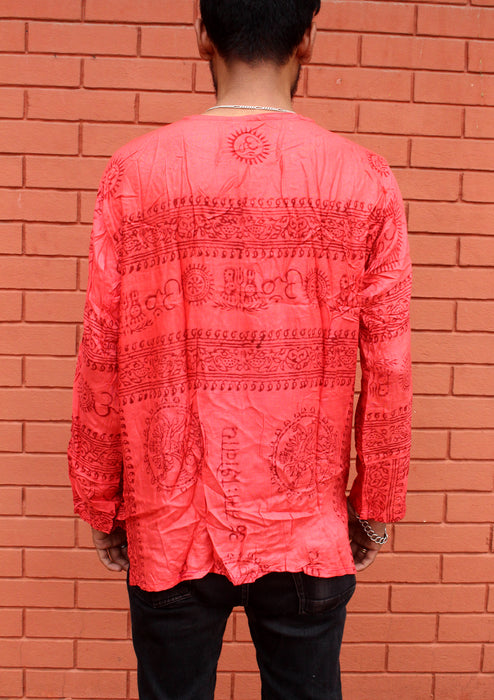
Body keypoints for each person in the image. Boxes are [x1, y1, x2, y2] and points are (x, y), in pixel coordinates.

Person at [68, 1, 412, 698]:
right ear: (306, 39)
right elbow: (389, 361)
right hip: (305, 526)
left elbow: (102, 346)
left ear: (203, 34)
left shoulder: (135, 173)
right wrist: (374, 506)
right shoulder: (364, 178)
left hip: (170, 518)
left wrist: (101, 497)